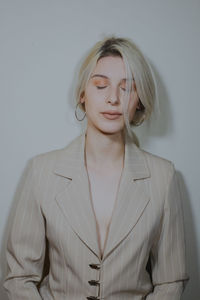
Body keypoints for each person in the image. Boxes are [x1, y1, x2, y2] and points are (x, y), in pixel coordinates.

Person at [4, 36, 189, 299]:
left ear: (139, 100)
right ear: (82, 94)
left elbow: (171, 281)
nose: (113, 98)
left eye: (127, 88)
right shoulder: (41, 172)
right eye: (101, 85)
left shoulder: (164, 176)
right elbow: (19, 278)